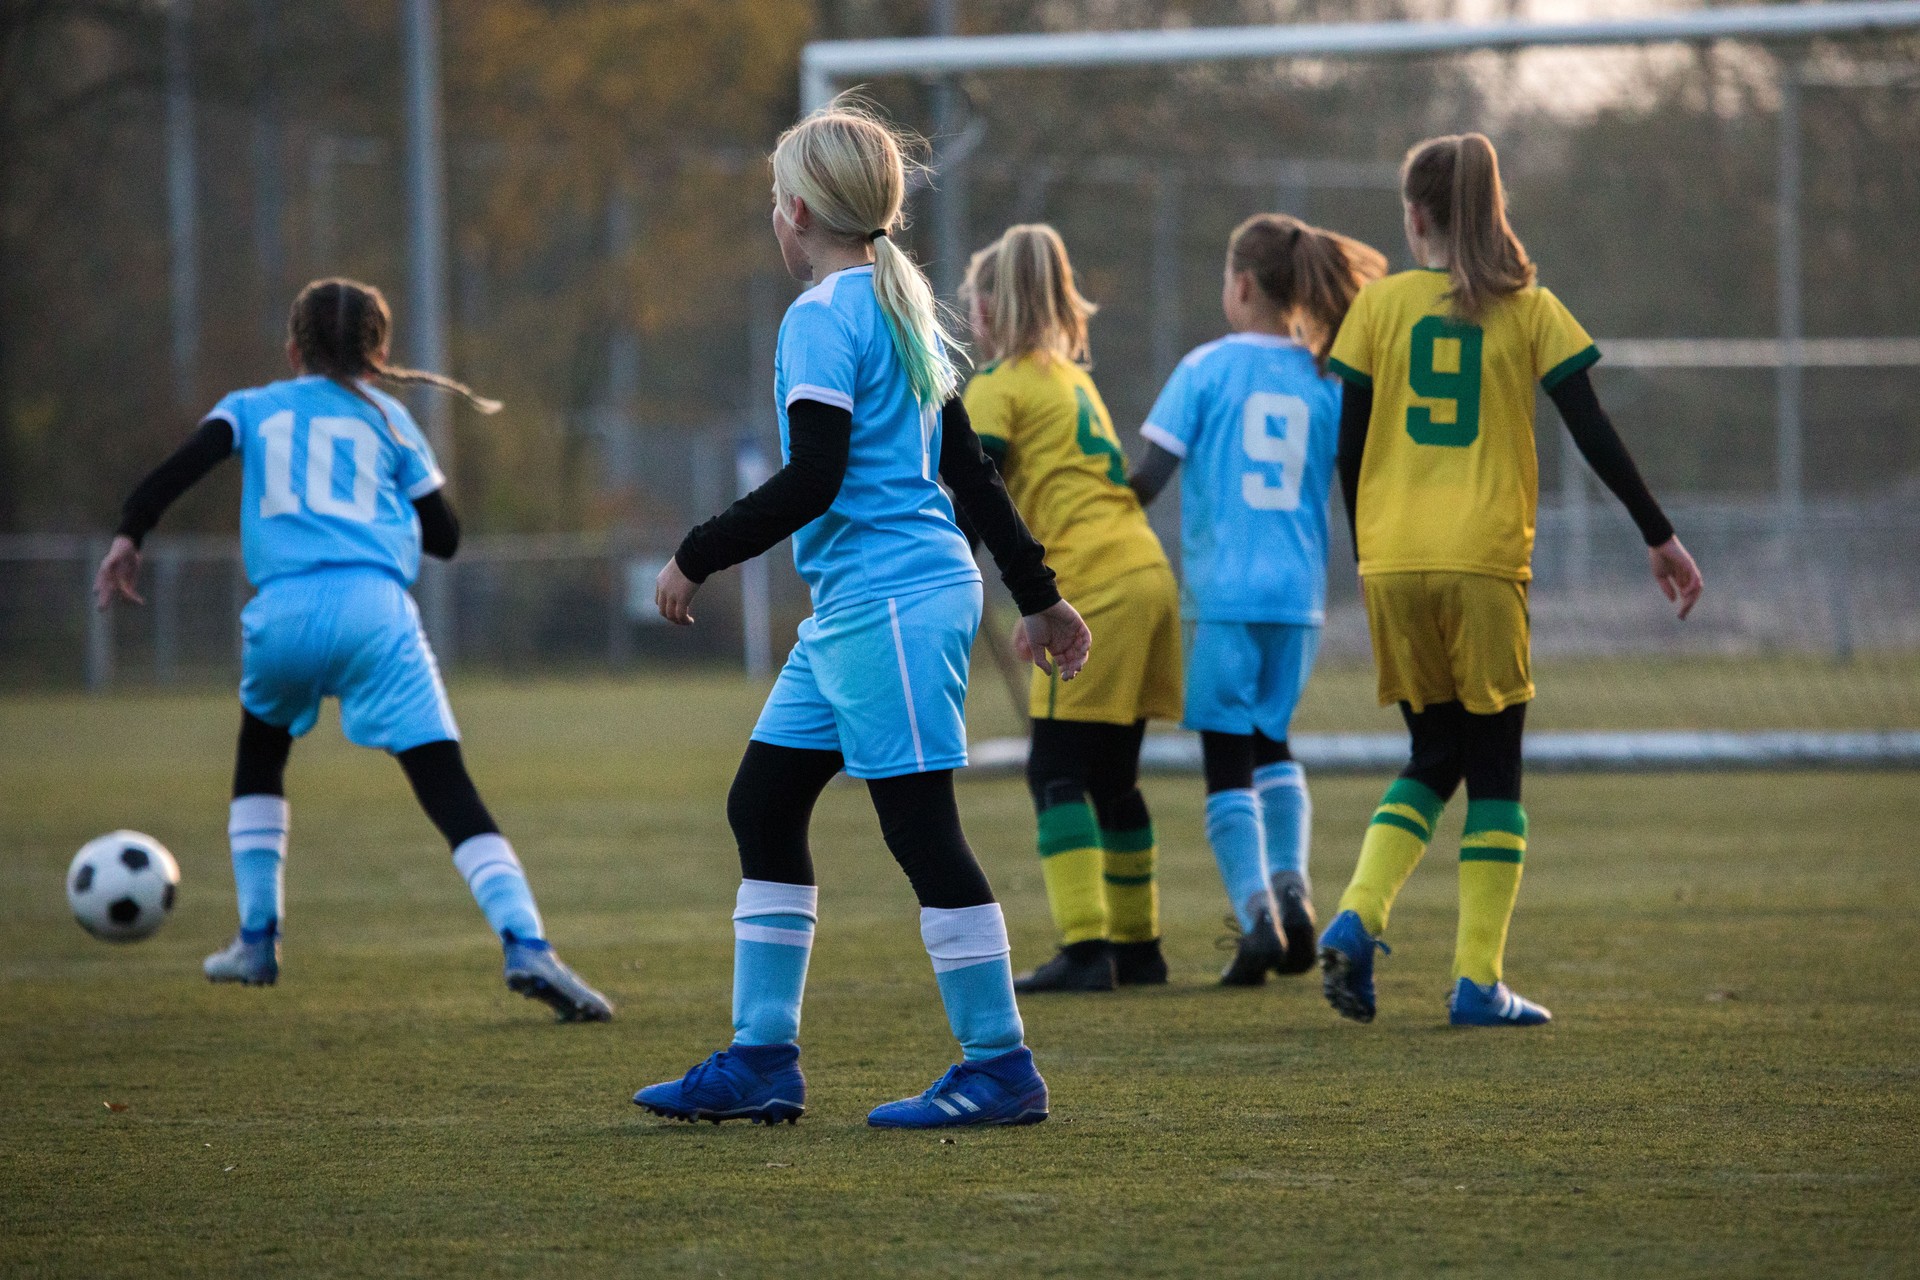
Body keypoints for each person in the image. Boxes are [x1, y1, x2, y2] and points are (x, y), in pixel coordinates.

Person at [631, 100, 1091, 1129]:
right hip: (863, 608)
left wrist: (695, 554)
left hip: (893, 603)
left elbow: (815, 479)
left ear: (794, 211)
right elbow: (971, 476)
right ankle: (761, 1057)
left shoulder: (825, 316)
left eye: (772, 200)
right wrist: (1041, 592)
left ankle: (1001, 1065)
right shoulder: (900, 310)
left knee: (922, 831)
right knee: (762, 805)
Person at [92, 278, 613, 1022]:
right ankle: (526, 942)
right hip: (376, 614)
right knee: (445, 785)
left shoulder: (251, 407)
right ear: (381, 353)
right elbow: (447, 538)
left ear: (292, 347)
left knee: (260, 755)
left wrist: (127, 537)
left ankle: (257, 938)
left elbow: (174, 473)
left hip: (283, 613)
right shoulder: (391, 420)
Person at [1317, 132, 1704, 1027]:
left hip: (1394, 563)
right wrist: (1660, 535)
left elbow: (1348, 448)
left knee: (1433, 753)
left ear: (1414, 216)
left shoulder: (1376, 308)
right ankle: (1476, 982)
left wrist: (1371, 552)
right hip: (1483, 561)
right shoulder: (1527, 308)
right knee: (1493, 770)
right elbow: (1592, 430)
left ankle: (1358, 913)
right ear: (1492, 213)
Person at [1129, 214, 1386, 986]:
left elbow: (1147, 480)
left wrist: (1080, 487)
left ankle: (1256, 922)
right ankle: (1294, 887)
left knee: (1225, 759)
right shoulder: (1327, 378)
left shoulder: (1205, 368)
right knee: (1273, 743)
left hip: (1222, 596)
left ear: (1242, 285)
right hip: (1298, 599)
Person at [958, 224, 1182, 995]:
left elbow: (975, 498)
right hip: (1146, 571)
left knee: (1053, 768)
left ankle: (1086, 949)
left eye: (972, 301)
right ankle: (1138, 948)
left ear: (990, 306)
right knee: (1114, 774)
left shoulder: (997, 386)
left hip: (1091, 584)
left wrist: (957, 582)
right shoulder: (1070, 379)